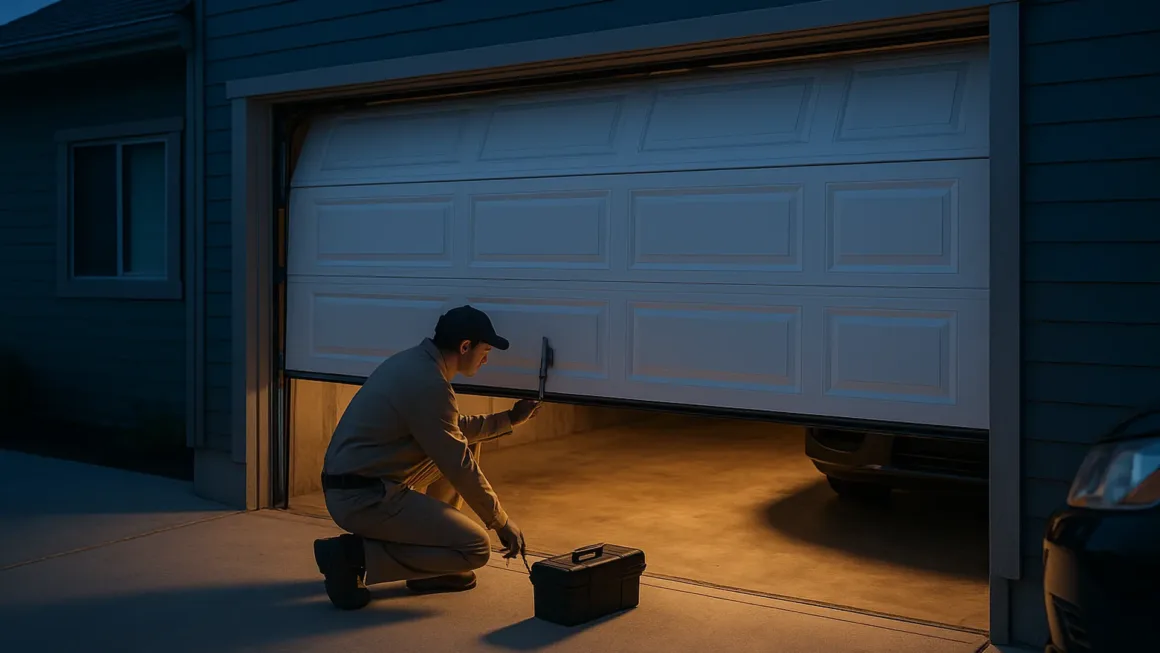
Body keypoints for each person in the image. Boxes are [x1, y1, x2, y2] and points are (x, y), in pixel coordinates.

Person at [312, 305, 542, 610]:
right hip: (361, 497)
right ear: (464, 347)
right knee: (476, 548)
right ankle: (353, 557)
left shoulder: (416, 364)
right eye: (485, 350)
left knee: (467, 443)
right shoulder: (428, 383)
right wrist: (501, 522)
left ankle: (431, 565)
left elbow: (451, 431)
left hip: (363, 482)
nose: (487, 359)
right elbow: (458, 465)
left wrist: (510, 418)